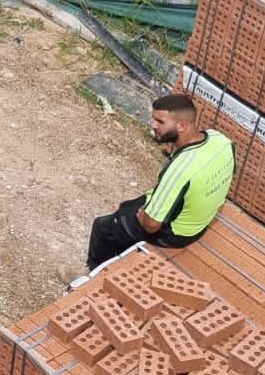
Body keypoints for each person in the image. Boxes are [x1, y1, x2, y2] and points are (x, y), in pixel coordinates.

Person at [87, 91, 235, 271]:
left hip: (177, 233)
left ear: (181, 126)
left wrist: (143, 217)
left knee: (105, 226)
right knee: (128, 206)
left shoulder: (180, 170)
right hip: (201, 220)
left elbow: (151, 225)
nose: (153, 125)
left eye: (160, 122)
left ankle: (95, 273)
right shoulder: (221, 141)